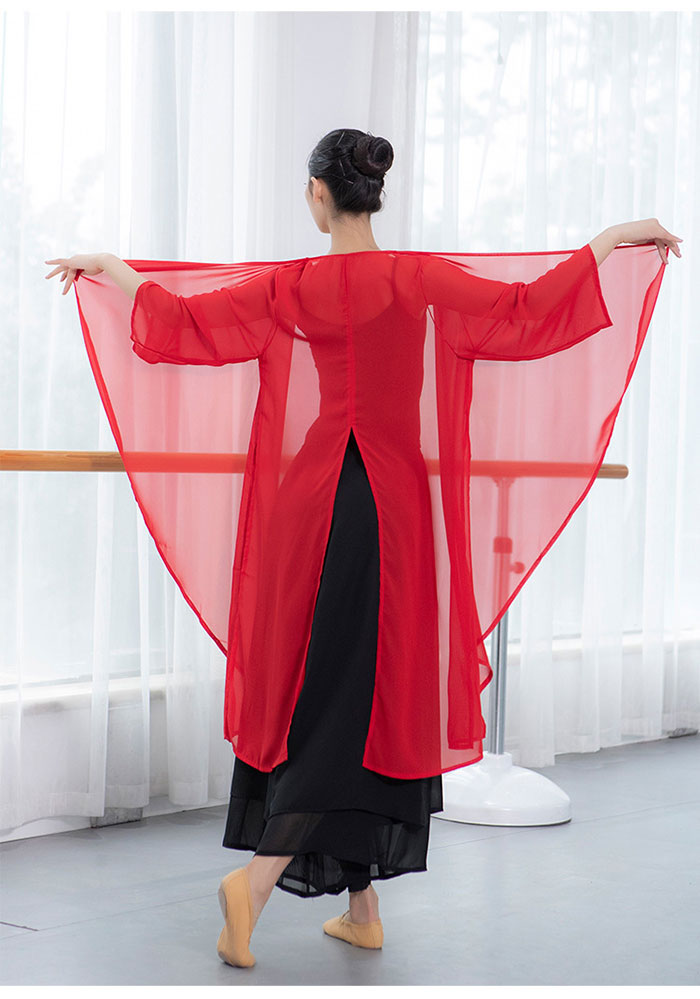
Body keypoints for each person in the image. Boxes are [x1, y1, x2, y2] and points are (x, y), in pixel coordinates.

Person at [45, 128, 682, 969]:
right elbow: (526, 308)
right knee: (363, 692)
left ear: (319, 194)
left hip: (310, 504)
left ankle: (361, 905)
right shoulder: (415, 277)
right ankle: (259, 881)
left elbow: (187, 320)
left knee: (336, 686)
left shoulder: (293, 285)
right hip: (387, 506)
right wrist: (611, 239)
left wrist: (113, 268)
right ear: (372, 194)